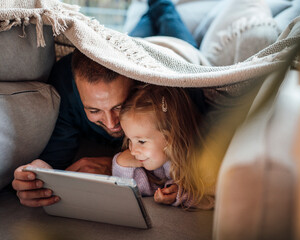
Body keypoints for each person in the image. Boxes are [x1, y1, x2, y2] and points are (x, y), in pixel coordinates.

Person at [12, 0, 206, 207]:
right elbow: (55, 162)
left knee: (165, 13)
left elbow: (190, 158)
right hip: (134, 42)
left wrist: (114, 164)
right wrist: (36, 174)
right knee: (138, 28)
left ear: (136, 85)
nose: (112, 123)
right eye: (94, 110)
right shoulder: (65, 89)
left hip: (177, 52)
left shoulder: (177, 94)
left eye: (119, 107)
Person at [112, 84, 214, 209]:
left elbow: (216, 199)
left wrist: (181, 195)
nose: (132, 150)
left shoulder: (204, 163)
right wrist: (121, 164)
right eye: (129, 140)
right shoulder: (159, 161)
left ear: (171, 137)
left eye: (142, 142)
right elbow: (135, 191)